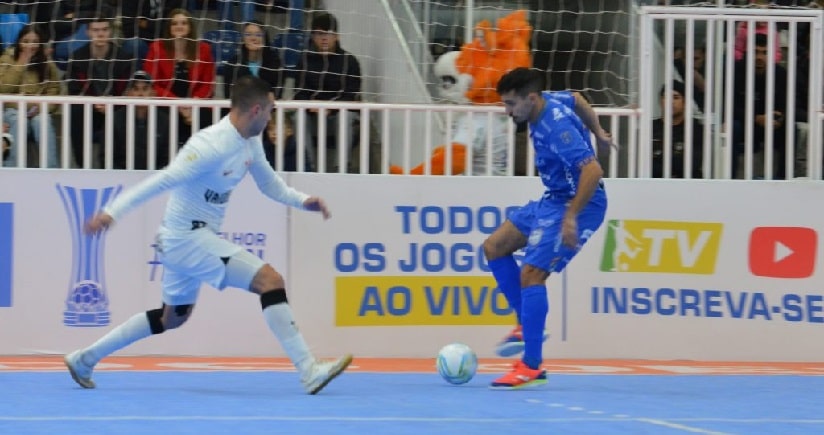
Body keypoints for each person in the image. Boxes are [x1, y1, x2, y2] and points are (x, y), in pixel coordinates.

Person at [63, 75, 352, 394]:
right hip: (185, 238)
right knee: (270, 281)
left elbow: (270, 184)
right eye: (271, 110)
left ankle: (83, 359)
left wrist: (302, 201)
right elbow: (163, 180)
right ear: (256, 109)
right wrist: (111, 212)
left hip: (188, 240)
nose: (272, 117)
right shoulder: (210, 145)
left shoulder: (250, 141)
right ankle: (309, 370)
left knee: (171, 318)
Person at [485, 67, 611, 389]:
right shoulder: (549, 101)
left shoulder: (557, 129)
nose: (507, 111)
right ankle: (525, 327)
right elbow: (578, 99)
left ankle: (531, 366)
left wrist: (571, 216)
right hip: (554, 199)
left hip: (579, 204)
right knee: (495, 247)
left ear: (531, 98)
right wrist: (598, 130)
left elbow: (593, 171)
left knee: (531, 274)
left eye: (511, 104)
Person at [292, 12, 362, 173]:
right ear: (313, 36)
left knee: (345, 116)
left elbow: (352, 95)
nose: (324, 38)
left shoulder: (350, 61)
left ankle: (341, 168)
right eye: (319, 33)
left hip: (338, 116)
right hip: (312, 117)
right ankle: (307, 167)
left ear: (336, 36)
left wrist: (331, 107)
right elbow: (299, 92)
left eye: (328, 33)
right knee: (298, 117)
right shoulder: (304, 60)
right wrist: (311, 106)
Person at [66, 15, 135, 168]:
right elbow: (73, 89)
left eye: (104, 29)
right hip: (89, 108)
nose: (101, 34)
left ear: (110, 32)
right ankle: (82, 166)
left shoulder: (124, 57)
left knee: (124, 113)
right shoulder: (77, 57)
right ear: (88, 32)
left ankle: (113, 167)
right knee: (76, 110)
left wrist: (111, 103)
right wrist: (94, 103)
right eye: (96, 30)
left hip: (116, 107)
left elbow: (127, 89)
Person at [143, 8, 216, 147]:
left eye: (184, 23)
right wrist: (178, 104)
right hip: (166, 101)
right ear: (169, 28)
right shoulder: (157, 47)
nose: (179, 26)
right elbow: (152, 83)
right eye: (174, 23)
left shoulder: (204, 49)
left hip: (196, 102)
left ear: (190, 27)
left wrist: (193, 105)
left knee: (204, 117)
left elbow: (208, 84)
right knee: (164, 117)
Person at [0, 24, 62, 168]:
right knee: (19, 119)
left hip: (37, 111)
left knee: (43, 120)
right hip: (12, 111)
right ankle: (12, 168)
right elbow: (3, 87)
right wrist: (21, 62)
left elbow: (54, 89)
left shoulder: (46, 61)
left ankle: (51, 170)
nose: (30, 45)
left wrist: (41, 107)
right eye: (26, 41)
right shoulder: (7, 58)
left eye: (34, 41)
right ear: (19, 42)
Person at [112, 70, 172, 170]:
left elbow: (168, 157)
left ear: (153, 93)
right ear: (128, 94)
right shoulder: (115, 119)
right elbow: (107, 157)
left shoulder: (164, 120)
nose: (140, 94)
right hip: (122, 179)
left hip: (155, 178)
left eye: (145, 89)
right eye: (136, 89)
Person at [652, 81, 704, 178]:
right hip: (656, 184)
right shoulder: (650, 128)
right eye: (666, 97)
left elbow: (693, 164)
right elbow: (646, 165)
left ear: (684, 102)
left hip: (687, 185)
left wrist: (658, 156)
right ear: (660, 101)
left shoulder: (695, 128)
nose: (671, 101)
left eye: (676, 97)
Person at [223, 21, 283, 100]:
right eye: (248, 34)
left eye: (258, 35)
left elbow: (276, 94)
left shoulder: (275, 63)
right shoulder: (233, 64)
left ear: (265, 38)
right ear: (243, 39)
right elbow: (230, 95)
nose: (253, 38)